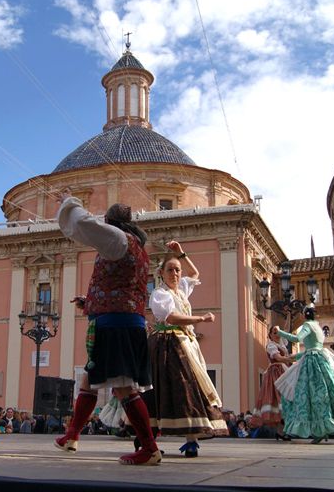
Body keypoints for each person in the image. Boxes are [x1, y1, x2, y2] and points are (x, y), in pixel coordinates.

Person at [53, 192, 160, 465]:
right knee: (89, 379)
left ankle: (149, 448)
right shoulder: (135, 246)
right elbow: (122, 286)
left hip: (117, 326)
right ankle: (72, 435)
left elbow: (84, 225)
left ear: (110, 221)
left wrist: (70, 202)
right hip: (117, 321)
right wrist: (89, 303)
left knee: (124, 387)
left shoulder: (118, 239)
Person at [145, 241, 228, 457]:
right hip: (166, 345)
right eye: (170, 270)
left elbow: (195, 272)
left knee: (190, 387)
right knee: (166, 387)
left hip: (185, 343)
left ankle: (192, 439)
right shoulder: (159, 295)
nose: (175, 273)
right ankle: (147, 438)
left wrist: (180, 253)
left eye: (177, 270)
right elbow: (171, 317)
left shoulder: (181, 290)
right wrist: (200, 318)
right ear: (161, 273)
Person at [274, 306, 334, 443]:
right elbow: (313, 347)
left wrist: (280, 332)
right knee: (323, 393)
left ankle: (317, 430)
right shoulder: (318, 327)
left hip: (312, 363)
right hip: (321, 360)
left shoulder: (307, 325)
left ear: (304, 315)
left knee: (304, 393)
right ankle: (322, 429)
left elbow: (296, 339)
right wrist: (294, 357)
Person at [255, 325, 293, 441]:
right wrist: (291, 359)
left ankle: (282, 431)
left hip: (284, 370)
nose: (277, 334)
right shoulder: (271, 345)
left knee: (286, 398)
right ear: (270, 334)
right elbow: (278, 357)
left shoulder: (281, 344)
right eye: (274, 332)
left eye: (278, 331)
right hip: (276, 372)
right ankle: (281, 431)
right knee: (279, 399)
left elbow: (286, 328)